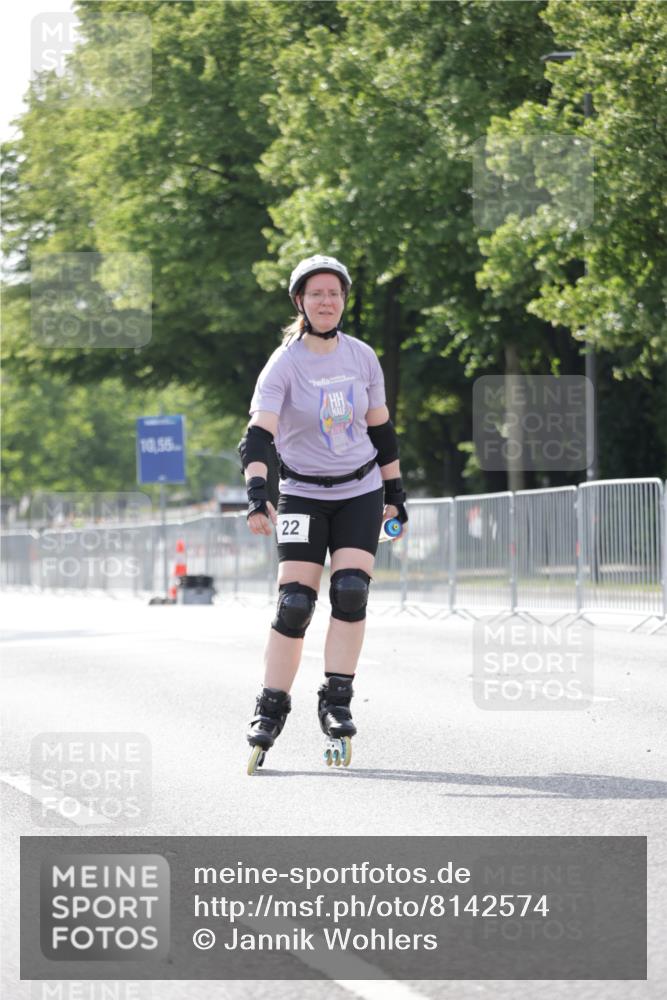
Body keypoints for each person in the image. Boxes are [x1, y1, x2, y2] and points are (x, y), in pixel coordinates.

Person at [238, 254, 408, 774]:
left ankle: (336, 701)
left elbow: (380, 430)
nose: (327, 301)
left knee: (351, 592)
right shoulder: (283, 364)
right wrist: (257, 492)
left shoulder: (362, 357)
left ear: (343, 300)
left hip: (358, 490)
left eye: (334, 293)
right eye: (316, 294)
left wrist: (395, 491)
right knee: (295, 604)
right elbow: (258, 436)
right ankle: (270, 707)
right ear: (300, 302)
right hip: (303, 495)